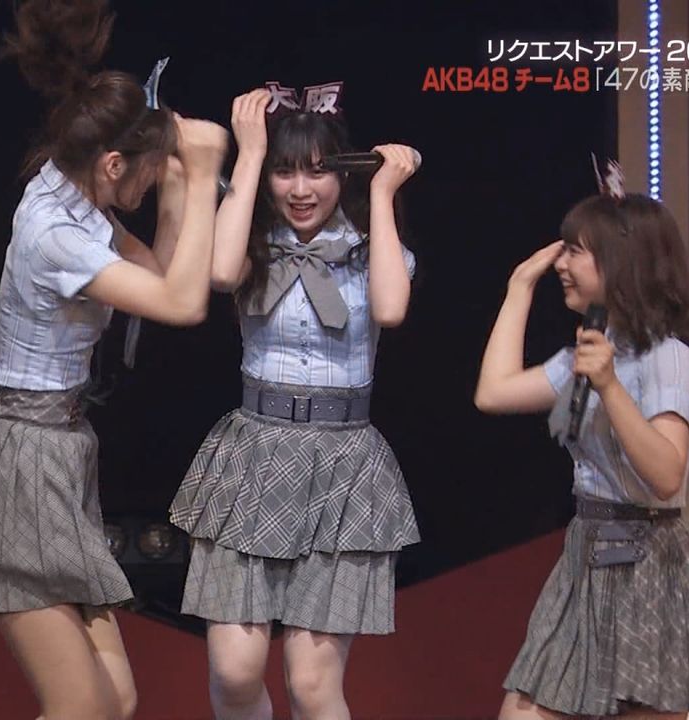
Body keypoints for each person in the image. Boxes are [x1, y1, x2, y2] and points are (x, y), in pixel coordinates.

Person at [0, 1, 228, 718]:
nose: (149, 186)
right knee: (83, 707)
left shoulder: (72, 193)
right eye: (147, 174)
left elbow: (162, 276)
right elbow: (183, 303)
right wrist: (204, 171)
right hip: (19, 473)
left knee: (114, 700)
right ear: (113, 163)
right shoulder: (55, 234)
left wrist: (179, 184)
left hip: (57, 458)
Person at [168, 84, 421, 720]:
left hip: (343, 469)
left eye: (317, 171)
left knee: (312, 687)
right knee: (234, 672)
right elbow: (219, 273)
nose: (301, 189)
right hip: (252, 459)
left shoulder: (369, 248)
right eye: (286, 172)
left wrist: (383, 194)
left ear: (343, 175)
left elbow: (392, 308)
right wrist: (251, 153)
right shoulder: (251, 244)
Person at [474, 162, 689, 719]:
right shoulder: (586, 353)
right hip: (585, 554)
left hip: (651, 565)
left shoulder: (668, 358)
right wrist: (518, 288)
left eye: (575, 252)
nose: (561, 264)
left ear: (620, 261)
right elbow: (493, 392)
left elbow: (667, 475)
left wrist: (609, 387)